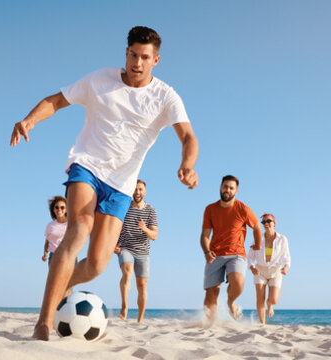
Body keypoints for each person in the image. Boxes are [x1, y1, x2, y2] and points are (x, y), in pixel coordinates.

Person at [10, 26, 199, 340]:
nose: (137, 63)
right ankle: (44, 322)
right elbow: (56, 101)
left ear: (156, 60)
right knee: (79, 228)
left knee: (97, 264)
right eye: (133, 55)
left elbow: (188, 136)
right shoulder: (100, 80)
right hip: (87, 166)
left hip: (121, 185)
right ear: (126, 53)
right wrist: (29, 119)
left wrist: (187, 165)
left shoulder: (166, 96)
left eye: (145, 57)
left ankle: (65, 280)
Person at [201, 175, 262, 324]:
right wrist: (207, 252)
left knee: (238, 283)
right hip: (215, 254)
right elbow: (204, 236)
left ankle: (231, 302)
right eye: (225, 187)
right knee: (211, 293)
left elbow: (256, 227)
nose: (227, 190)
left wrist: (258, 245)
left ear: (236, 191)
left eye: (231, 188)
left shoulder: (243, 209)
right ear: (220, 187)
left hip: (236, 253)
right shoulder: (210, 209)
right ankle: (210, 325)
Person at [113, 179, 157, 323]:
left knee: (142, 285)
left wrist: (144, 229)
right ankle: (124, 307)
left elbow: (154, 235)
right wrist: (114, 245)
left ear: (145, 192)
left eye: (140, 189)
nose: (137, 192)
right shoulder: (124, 207)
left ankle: (140, 318)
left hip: (143, 252)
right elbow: (115, 227)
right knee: (127, 272)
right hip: (126, 248)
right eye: (135, 189)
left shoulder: (150, 210)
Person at [247, 213, 291, 325]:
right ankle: (262, 324)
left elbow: (287, 256)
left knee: (274, 299)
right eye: (263, 222)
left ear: (274, 223)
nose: (266, 223)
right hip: (260, 271)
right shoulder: (258, 239)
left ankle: (270, 304)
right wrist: (252, 267)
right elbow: (250, 256)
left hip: (275, 271)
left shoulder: (282, 239)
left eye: (269, 221)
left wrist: (286, 267)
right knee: (260, 299)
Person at [42, 196, 68, 265]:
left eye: (62, 207)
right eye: (57, 207)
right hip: (54, 256)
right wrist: (45, 254)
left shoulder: (71, 224)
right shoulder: (50, 225)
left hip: (69, 255)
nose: (59, 209)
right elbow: (47, 242)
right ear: (53, 210)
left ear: (66, 210)